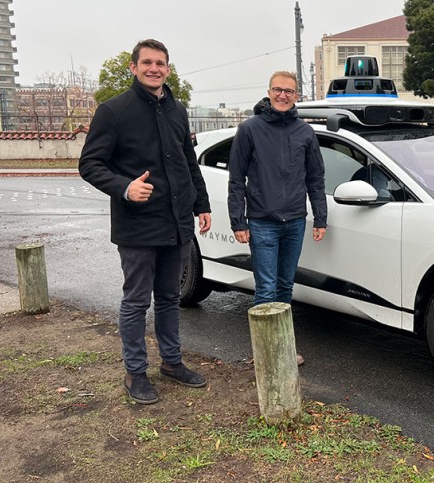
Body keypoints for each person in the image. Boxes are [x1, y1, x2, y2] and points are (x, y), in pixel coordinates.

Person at [79, 39, 212, 405]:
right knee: (136, 300)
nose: (155, 68)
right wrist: (124, 187)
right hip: (137, 224)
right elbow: (89, 164)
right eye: (148, 63)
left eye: (161, 63)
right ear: (134, 68)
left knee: (170, 297)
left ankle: (172, 362)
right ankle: (135, 372)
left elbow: (188, 161)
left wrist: (201, 204)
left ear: (168, 69)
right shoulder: (113, 110)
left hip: (177, 221)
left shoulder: (177, 109)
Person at [227, 71, 327, 365]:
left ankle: (282, 348)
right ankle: (267, 354)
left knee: (285, 287)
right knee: (266, 288)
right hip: (262, 221)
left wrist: (320, 217)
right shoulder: (249, 129)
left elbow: (316, 178)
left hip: (295, 221)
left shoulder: (305, 133)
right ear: (269, 92)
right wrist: (238, 221)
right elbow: (236, 179)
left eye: (290, 91)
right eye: (278, 90)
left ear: (297, 96)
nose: (283, 95)